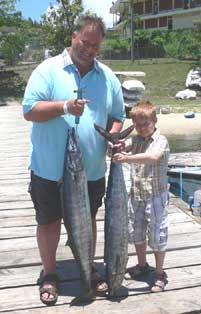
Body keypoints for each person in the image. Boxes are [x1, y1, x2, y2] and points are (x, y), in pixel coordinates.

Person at [22, 15, 125, 305]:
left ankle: (88, 269)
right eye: (85, 42)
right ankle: (50, 274)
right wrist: (64, 107)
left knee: (88, 220)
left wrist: (113, 135)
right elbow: (30, 110)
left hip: (91, 170)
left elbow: (117, 115)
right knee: (49, 221)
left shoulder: (107, 77)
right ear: (73, 36)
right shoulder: (48, 70)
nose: (89, 50)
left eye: (95, 46)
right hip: (49, 168)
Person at [113, 100, 169, 292]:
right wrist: (117, 145)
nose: (142, 128)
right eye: (137, 125)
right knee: (136, 232)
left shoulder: (161, 141)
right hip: (136, 196)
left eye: (145, 124)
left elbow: (153, 157)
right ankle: (142, 264)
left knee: (157, 234)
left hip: (155, 197)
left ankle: (159, 273)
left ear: (154, 120)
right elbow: (119, 148)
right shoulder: (135, 140)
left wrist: (126, 158)